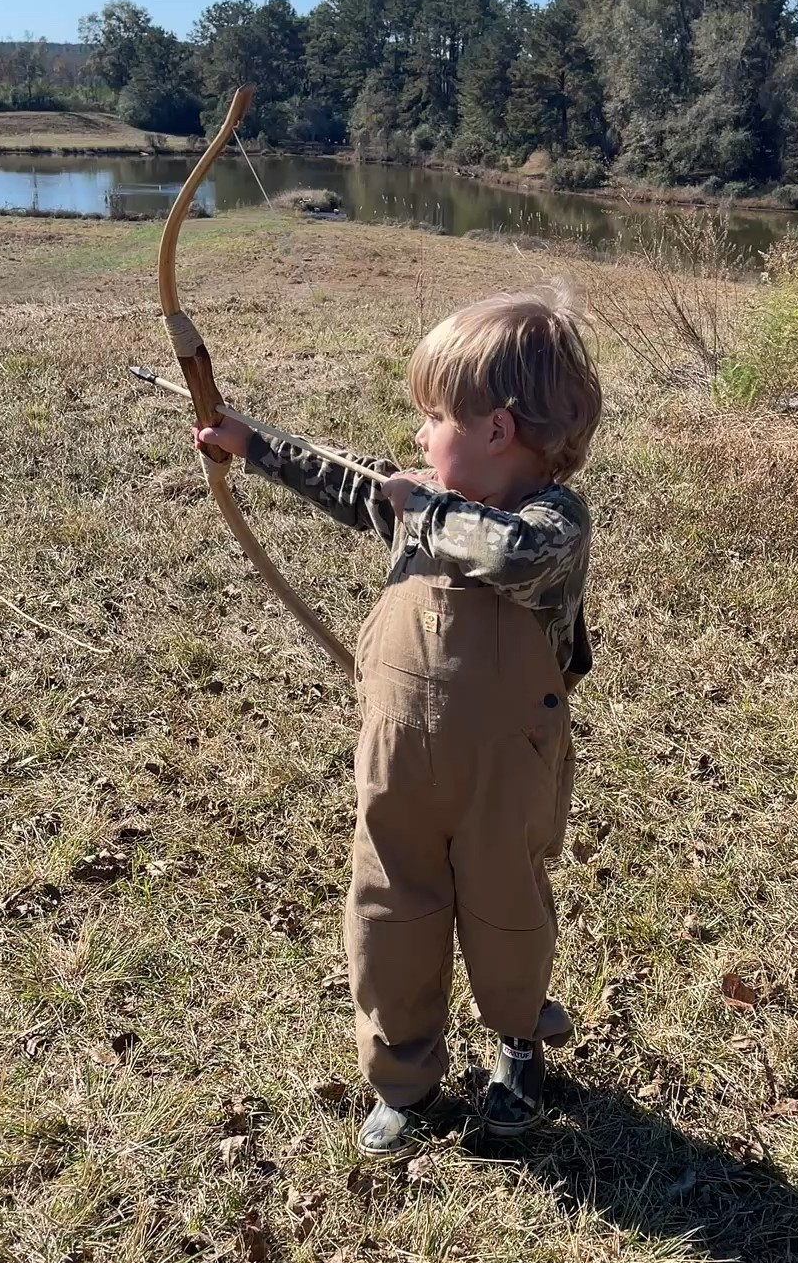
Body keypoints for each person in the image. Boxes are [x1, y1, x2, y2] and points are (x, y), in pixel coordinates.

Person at [198, 285, 602, 1159]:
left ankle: (518, 1041)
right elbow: (351, 480)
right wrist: (250, 444)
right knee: (390, 912)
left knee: (506, 913)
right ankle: (403, 1077)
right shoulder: (425, 502)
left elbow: (507, 554)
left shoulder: (552, 523)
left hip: (505, 771)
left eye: (435, 417)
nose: (419, 436)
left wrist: (420, 507)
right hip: (397, 757)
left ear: (497, 430)